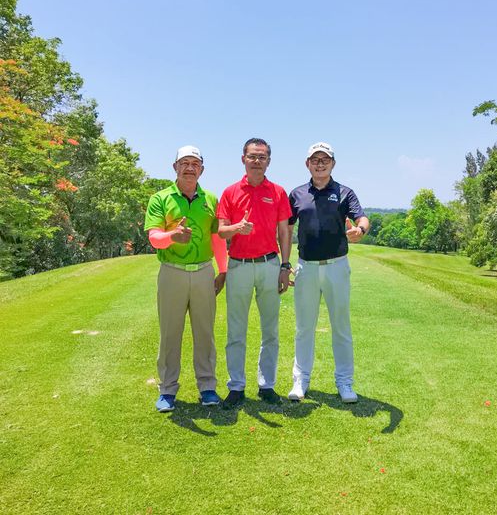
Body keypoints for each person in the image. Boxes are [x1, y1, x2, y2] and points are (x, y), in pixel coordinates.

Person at [144, 146, 228, 412]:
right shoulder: (161, 198)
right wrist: (172, 237)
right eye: (184, 163)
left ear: (202, 169)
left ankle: (207, 387)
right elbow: (154, 237)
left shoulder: (210, 199)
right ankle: (168, 389)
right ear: (175, 167)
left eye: (195, 163)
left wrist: (223, 270)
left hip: (204, 271)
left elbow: (216, 237)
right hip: (172, 272)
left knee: (205, 332)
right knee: (171, 333)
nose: (189, 168)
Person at [287, 142, 369, 403]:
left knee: (341, 327)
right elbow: (285, 228)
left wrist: (361, 230)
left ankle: (345, 382)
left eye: (325, 159)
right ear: (307, 164)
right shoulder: (297, 194)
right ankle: (300, 381)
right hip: (306, 268)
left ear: (333, 163)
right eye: (315, 159)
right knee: (304, 328)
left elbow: (362, 218)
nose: (320, 163)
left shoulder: (345, 192)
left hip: (336, 266)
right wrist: (283, 263)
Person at [217, 138, 292, 409]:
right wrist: (237, 227)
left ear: (268, 161)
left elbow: (285, 231)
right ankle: (236, 386)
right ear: (243, 159)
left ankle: (266, 385)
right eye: (252, 156)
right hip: (238, 266)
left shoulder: (278, 192)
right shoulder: (230, 192)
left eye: (262, 157)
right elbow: (221, 230)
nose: (257, 161)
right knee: (236, 330)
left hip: (270, 264)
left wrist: (285, 266)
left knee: (270, 330)